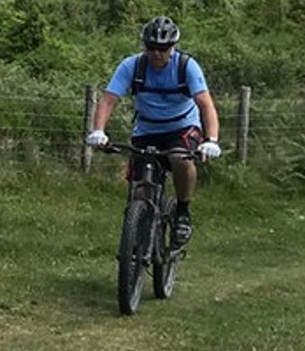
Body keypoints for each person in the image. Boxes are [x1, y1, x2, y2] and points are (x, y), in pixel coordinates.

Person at [84, 15, 221, 245]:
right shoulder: (132, 66)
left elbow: (206, 105)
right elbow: (108, 100)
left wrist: (212, 140)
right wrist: (99, 131)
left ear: (173, 47)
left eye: (163, 48)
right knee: (140, 190)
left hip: (182, 127)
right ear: (144, 46)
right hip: (147, 129)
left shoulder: (187, 66)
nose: (157, 53)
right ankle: (135, 245)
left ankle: (182, 212)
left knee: (180, 158)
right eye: (152, 48)